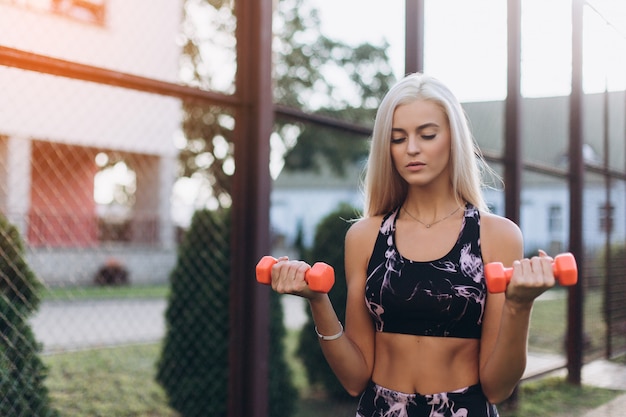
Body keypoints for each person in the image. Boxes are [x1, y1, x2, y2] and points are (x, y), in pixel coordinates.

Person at [268, 73, 557, 416]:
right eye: (398, 138)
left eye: (428, 134)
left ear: (453, 139)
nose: (412, 149)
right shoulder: (365, 237)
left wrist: (518, 306)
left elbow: (497, 386)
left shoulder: (496, 236)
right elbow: (354, 378)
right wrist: (317, 300)